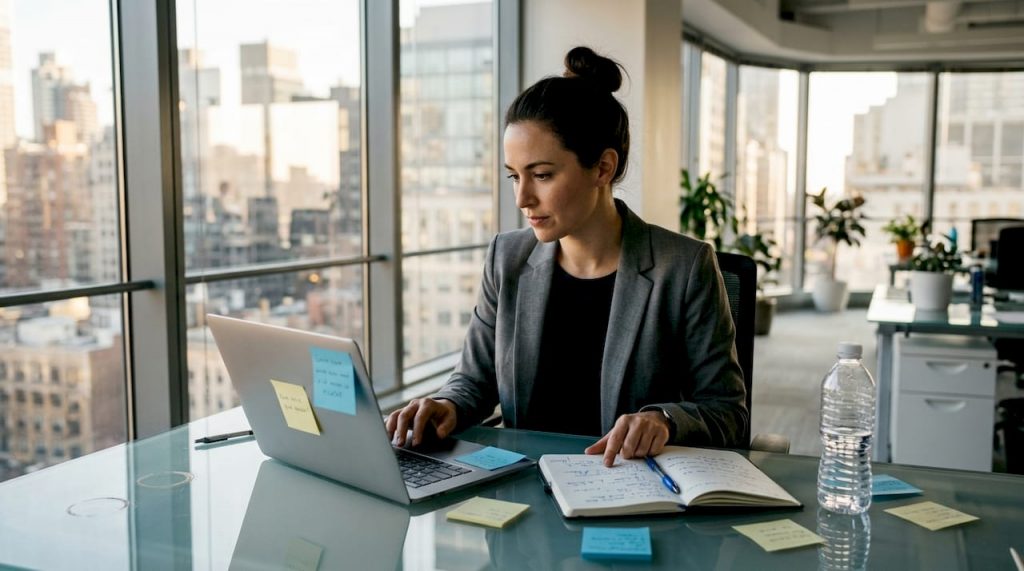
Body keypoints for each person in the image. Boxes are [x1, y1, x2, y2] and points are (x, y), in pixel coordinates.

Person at [386, 46, 747, 466]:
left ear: (602, 169)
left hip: (629, 492)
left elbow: (728, 412)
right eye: (514, 176)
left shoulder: (683, 267)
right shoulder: (507, 257)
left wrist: (664, 420)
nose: (522, 197)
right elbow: (475, 381)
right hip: (522, 484)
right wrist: (445, 405)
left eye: (541, 175)